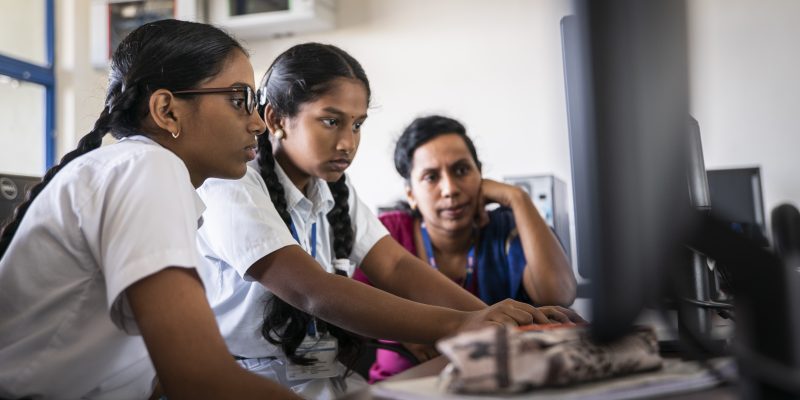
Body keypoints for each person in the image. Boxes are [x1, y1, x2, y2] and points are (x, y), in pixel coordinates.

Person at [195, 42, 582, 399]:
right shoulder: (233, 184)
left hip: (326, 379)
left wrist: (504, 322)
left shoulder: (331, 192)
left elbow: (396, 265)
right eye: (331, 121)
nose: (348, 142)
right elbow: (313, 291)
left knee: (498, 367)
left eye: (357, 124)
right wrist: (464, 324)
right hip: (252, 384)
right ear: (277, 120)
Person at [0, 19, 300, 399]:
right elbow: (200, 378)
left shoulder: (139, 170)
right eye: (240, 100)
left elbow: (149, 373)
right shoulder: (147, 168)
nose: (258, 123)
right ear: (167, 111)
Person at [353, 115, 578, 382]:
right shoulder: (388, 236)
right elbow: (356, 318)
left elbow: (560, 293)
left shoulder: (505, 229)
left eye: (461, 170)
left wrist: (518, 198)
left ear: (480, 175)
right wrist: (407, 330)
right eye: (431, 177)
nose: (450, 189)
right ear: (411, 194)